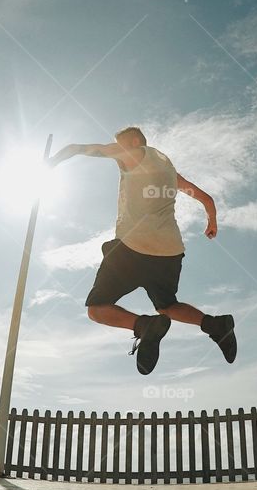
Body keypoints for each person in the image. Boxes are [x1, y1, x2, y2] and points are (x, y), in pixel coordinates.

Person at [47, 126, 236, 375]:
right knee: (168, 306)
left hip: (133, 249)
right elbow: (207, 199)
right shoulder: (171, 173)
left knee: (96, 308)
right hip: (169, 253)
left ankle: (144, 326)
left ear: (135, 142)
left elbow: (86, 149)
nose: (118, 155)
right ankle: (215, 325)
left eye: (120, 146)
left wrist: (52, 162)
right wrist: (212, 222)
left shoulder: (133, 153)